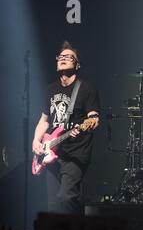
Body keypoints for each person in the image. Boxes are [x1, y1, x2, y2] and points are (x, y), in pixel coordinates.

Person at [32, 41, 100, 214]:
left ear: (77, 65)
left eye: (68, 57)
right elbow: (45, 120)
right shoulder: (50, 89)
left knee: (67, 197)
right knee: (53, 206)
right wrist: (36, 141)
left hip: (75, 153)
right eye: (60, 57)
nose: (62, 59)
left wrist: (89, 123)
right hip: (53, 152)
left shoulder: (86, 89)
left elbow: (93, 118)